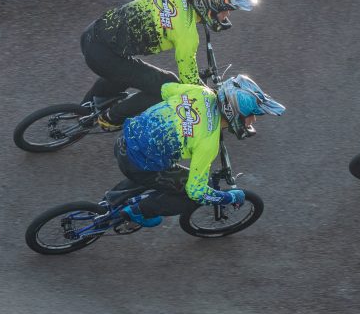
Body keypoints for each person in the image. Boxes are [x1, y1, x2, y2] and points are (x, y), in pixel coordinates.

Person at [82, 0, 254, 128]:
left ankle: (83, 110)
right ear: (211, 7)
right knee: (168, 85)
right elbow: (189, 82)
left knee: (130, 70)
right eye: (226, 10)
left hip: (93, 33)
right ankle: (112, 118)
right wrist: (214, 96)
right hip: (104, 56)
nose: (227, 15)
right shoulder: (186, 34)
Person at [114, 75, 285, 227]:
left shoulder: (202, 92)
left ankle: (113, 199)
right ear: (234, 113)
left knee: (158, 167)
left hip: (124, 139)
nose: (253, 120)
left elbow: (166, 90)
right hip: (137, 164)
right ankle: (139, 211)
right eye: (251, 115)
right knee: (192, 193)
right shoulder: (208, 143)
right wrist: (230, 197)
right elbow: (197, 192)